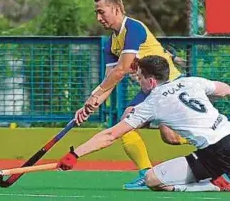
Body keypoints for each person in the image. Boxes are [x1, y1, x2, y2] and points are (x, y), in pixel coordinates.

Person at [58, 55, 230, 192]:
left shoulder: (151, 103)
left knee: (152, 179)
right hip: (224, 137)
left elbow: (111, 135)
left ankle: (212, 185)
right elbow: (225, 90)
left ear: (151, 81)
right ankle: (217, 178)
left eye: (140, 78)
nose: (139, 82)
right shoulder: (192, 81)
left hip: (215, 153)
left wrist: (75, 154)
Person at [74, 0, 188, 190]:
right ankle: (147, 174)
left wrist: (95, 95)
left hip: (169, 84)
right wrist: (89, 106)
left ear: (116, 8)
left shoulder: (133, 29)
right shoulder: (110, 45)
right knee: (148, 130)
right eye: (96, 13)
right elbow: (110, 79)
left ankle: (217, 147)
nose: (99, 17)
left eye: (102, 11)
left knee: (153, 130)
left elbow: (122, 69)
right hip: (148, 90)